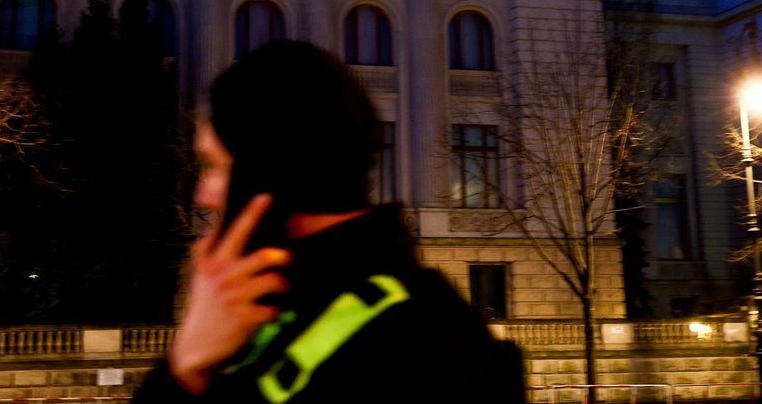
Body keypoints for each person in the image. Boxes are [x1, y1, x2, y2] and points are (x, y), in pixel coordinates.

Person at [134, 40, 526, 403]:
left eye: (215, 167)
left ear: (267, 174)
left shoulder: (414, 342)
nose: (204, 195)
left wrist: (184, 369)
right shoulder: (266, 305)